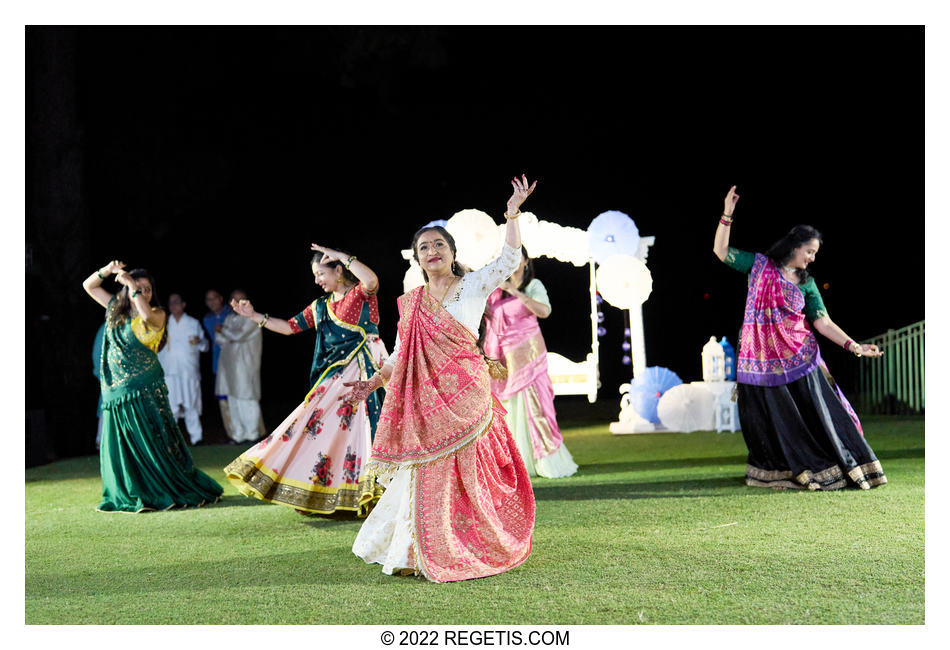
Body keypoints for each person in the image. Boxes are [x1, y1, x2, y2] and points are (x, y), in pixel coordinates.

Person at [345, 175, 538, 583]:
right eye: (424, 248)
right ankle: (416, 550)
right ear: (418, 259)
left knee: (468, 474)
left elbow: (507, 260)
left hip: (468, 395)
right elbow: (400, 355)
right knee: (427, 472)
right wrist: (372, 383)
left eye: (439, 245)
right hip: (427, 404)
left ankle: (471, 540)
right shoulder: (411, 303)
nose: (432, 251)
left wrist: (512, 213)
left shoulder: (473, 285)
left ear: (452, 253)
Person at [713, 185, 887, 490]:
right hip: (760, 365)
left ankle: (832, 468)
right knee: (769, 425)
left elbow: (822, 322)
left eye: (815, 254)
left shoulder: (807, 284)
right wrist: (727, 214)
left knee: (816, 420)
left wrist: (855, 346)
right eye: (810, 251)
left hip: (799, 361)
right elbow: (721, 252)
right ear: (795, 246)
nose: (812, 258)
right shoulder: (758, 266)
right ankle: (781, 472)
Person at [223, 245, 389, 516]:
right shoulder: (320, 306)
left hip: (368, 373)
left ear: (338, 270)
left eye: (320, 273)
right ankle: (329, 496)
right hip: (336, 379)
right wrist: (253, 316)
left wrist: (343, 256)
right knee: (323, 431)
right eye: (314, 275)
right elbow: (290, 327)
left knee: (370, 430)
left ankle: (379, 495)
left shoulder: (360, 295)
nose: (316, 280)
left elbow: (371, 281)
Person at [82, 260, 223, 512]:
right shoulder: (115, 308)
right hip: (117, 392)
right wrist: (109, 270)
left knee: (153, 444)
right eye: (139, 287)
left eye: (147, 288)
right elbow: (89, 285)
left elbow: (145, 315)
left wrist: (132, 286)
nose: (143, 291)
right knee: (123, 448)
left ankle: (162, 490)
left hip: (145, 390)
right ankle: (129, 492)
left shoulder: (158, 313)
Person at [482, 247, 578, 478]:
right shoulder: (495, 292)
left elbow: (544, 311)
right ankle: (512, 461)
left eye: (517, 257)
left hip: (529, 356)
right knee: (507, 409)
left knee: (535, 406)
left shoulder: (533, 286)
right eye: (508, 258)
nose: (513, 262)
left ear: (525, 261)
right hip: (503, 358)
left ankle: (544, 460)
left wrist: (514, 291)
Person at [214, 289, 265, 444]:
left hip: (245, 366)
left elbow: (237, 336)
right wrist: (226, 333)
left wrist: (224, 330)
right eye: (234, 300)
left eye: (241, 300)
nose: (238, 303)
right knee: (233, 400)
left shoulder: (252, 319)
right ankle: (238, 435)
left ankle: (252, 434)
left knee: (247, 398)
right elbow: (219, 339)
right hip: (229, 365)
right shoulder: (230, 318)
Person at [158, 293, 210, 445]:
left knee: (190, 405)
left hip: (189, 371)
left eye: (176, 302)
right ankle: (171, 440)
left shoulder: (193, 322)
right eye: (171, 303)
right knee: (171, 407)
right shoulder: (164, 323)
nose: (173, 306)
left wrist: (200, 341)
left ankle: (197, 438)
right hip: (169, 372)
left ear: (183, 304)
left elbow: (205, 346)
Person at [203, 289, 234, 439]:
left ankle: (244, 433)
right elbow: (215, 339)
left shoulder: (232, 313)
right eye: (208, 300)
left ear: (221, 298)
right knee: (223, 398)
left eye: (214, 298)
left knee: (237, 396)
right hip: (218, 362)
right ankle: (231, 433)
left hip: (236, 361)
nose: (212, 302)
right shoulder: (207, 319)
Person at [92, 320, 106, 449]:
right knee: (106, 405)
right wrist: (100, 373)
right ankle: (101, 438)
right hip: (109, 376)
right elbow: (97, 354)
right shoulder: (104, 329)